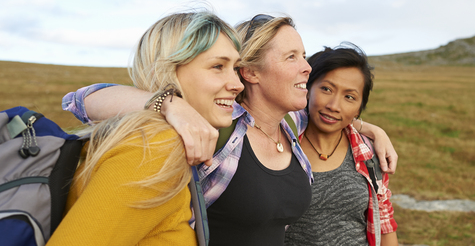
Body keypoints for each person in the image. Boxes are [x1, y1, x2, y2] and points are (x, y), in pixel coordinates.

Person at [62, 14, 397, 245]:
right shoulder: (216, 125)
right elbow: (81, 100)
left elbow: (331, 113)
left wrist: (370, 129)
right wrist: (171, 104)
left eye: (304, 55)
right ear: (251, 72)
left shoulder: (290, 124)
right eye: (291, 57)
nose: (308, 68)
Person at [48, 10, 244, 245]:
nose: (237, 84)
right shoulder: (154, 148)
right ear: (168, 70)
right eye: (217, 66)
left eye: (235, 68)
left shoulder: (160, 140)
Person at [284, 44, 398, 246]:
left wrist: (375, 132)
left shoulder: (369, 153)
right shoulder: (280, 140)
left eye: (349, 97)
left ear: (358, 108)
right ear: (308, 89)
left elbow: (385, 225)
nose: (334, 106)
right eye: (326, 89)